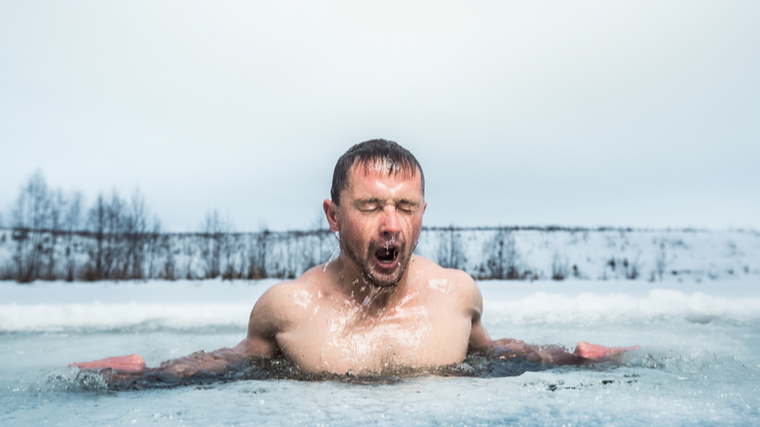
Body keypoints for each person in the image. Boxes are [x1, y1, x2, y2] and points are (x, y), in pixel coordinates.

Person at [71, 139, 637, 382]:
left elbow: (496, 354)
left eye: (405, 207)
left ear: (421, 213)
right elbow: (230, 364)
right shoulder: (287, 308)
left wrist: (572, 357)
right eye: (370, 206)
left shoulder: (456, 294)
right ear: (333, 214)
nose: (392, 224)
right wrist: (146, 377)